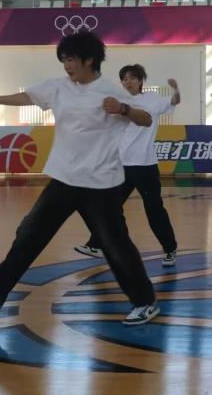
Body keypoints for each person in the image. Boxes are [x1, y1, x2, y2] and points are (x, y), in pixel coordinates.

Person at [0, 30, 160, 325]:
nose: (66, 66)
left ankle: (144, 302)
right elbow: (27, 96)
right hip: (64, 179)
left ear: (89, 60)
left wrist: (123, 108)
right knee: (29, 235)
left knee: (116, 247)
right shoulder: (58, 87)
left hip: (100, 184)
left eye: (71, 59)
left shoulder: (110, 91)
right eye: (64, 60)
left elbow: (146, 119)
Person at [74, 65, 180, 267]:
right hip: (122, 164)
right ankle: (95, 244)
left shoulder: (152, 99)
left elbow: (174, 101)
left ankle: (170, 249)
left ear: (140, 80)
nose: (128, 82)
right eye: (124, 79)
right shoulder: (117, 101)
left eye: (132, 78)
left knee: (154, 209)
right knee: (110, 207)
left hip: (145, 165)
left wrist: (176, 90)